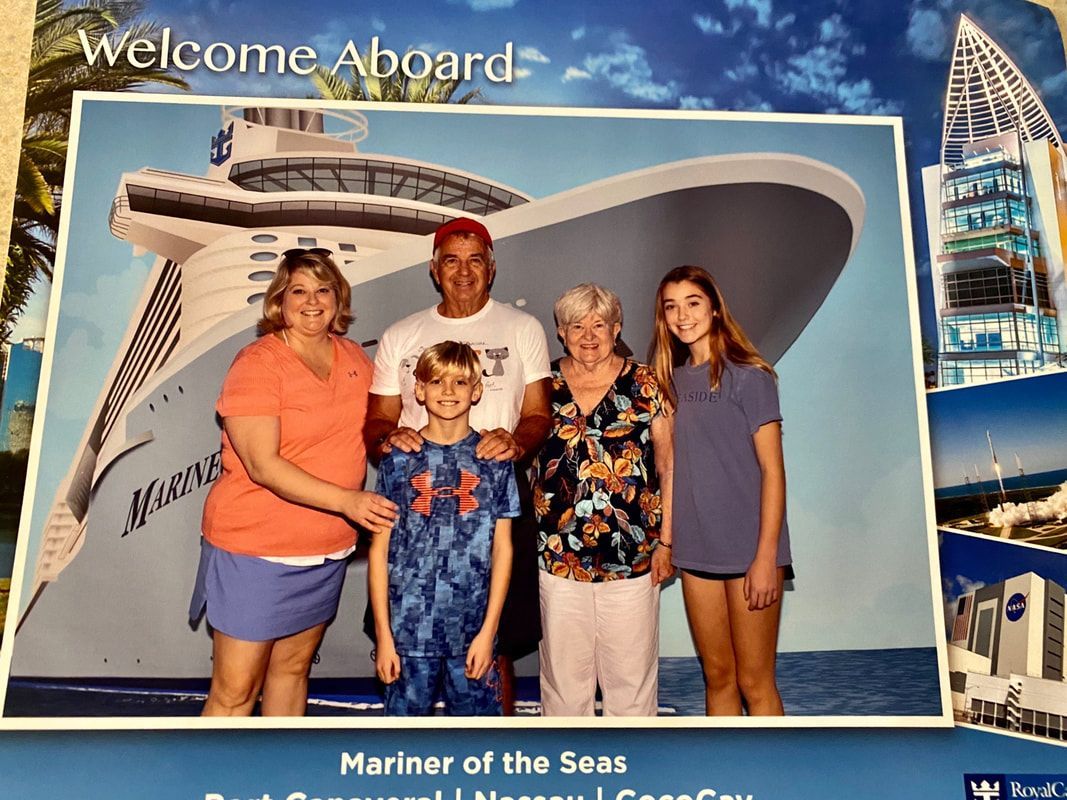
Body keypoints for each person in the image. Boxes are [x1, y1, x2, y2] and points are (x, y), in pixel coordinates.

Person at [191, 248, 398, 717]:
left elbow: (383, 425)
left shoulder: (354, 357)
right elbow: (262, 465)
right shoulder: (257, 363)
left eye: (323, 290)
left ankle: (279, 763)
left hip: (327, 550)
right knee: (235, 693)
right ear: (279, 301)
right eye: (298, 291)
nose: (312, 301)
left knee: (292, 671)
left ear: (338, 298)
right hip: (256, 550)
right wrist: (348, 501)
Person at [364, 217, 552, 714]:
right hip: (414, 498)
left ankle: (488, 746)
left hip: (493, 487)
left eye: (475, 260)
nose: (463, 271)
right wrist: (388, 439)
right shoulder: (401, 334)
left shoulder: (522, 327)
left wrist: (514, 445)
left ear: (492, 267)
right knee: (404, 638)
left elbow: (538, 413)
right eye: (451, 260)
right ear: (434, 268)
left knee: (495, 642)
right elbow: (378, 420)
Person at [650, 265, 793, 716]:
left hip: (751, 550)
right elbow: (669, 467)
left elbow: (773, 471)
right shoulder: (669, 384)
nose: (682, 315)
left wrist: (766, 557)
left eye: (693, 303)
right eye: (671, 306)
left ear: (714, 308)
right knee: (717, 677)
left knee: (755, 681)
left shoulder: (751, 376)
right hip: (696, 552)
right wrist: (667, 543)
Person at [533, 284, 674, 716]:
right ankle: (566, 758)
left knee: (631, 682)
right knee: (563, 684)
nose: (588, 336)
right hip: (557, 555)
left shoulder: (648, 382)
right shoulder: (540, 385)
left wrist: (667, 543)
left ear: (617, 329)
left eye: (599, 325)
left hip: (634, 555)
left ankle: (631, 756)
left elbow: (670, 467)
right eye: (577, 326)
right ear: (561, 332)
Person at [369, 341, 519, 715]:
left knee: (475, 736)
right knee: (402, 738)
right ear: (419, 390)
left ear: (477, 390)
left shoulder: (494, 461)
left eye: (459, 382)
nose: (448, 391)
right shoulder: (399, 460)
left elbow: (503, 549)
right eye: (436, 381)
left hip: (471, 629)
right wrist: (384, 636)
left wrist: (488, 632)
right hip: (409, 632)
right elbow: (379, 551)